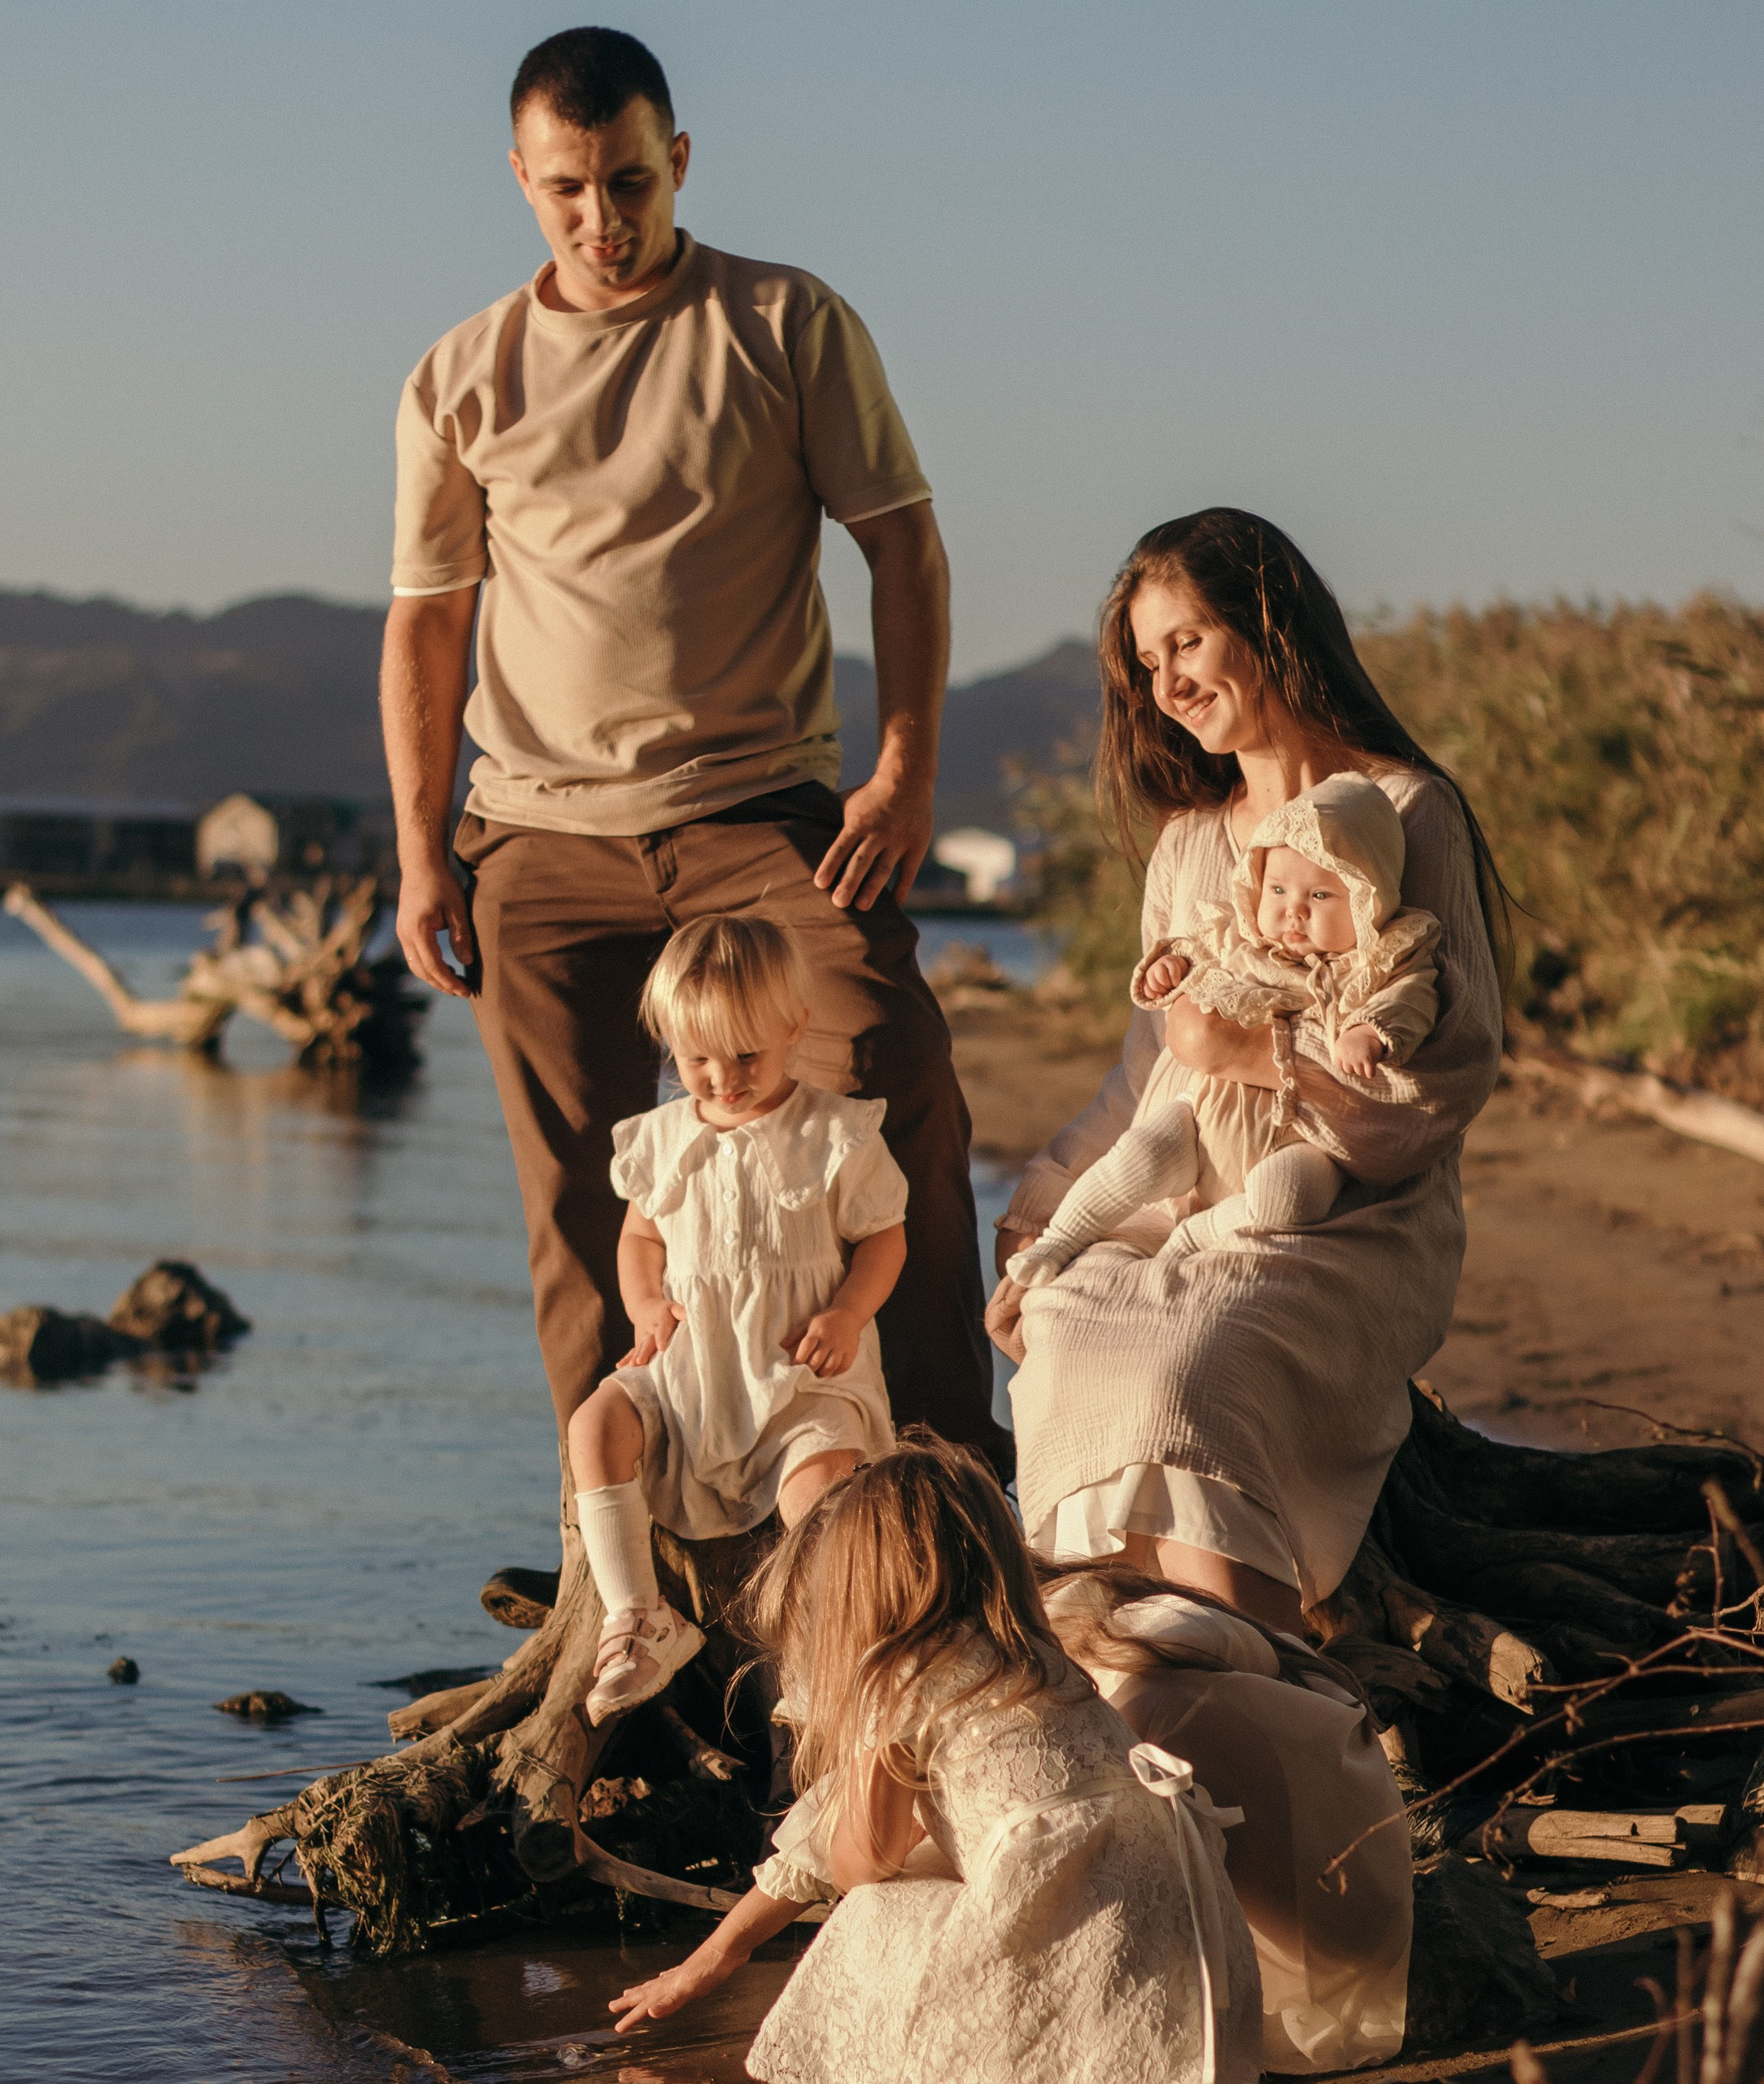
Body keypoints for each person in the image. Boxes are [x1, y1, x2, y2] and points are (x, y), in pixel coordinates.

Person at [379, 27, 1006, 1475]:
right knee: (580, 1198)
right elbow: (425, 633)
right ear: (522, 181)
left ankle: (943, 1479)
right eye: (568, 190)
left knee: (890, 1064)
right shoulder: (459, 378)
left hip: (759, 812)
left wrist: (905, 764)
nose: (604, 219)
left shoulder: (785, 323)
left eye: (629, 182)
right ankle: (632, 1548)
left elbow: (902, 547)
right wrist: (421, 851)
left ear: (680, 161)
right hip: (535, 836)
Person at [989, 509, 1508, 1636]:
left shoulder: (1412, 812)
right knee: (1066, 1317)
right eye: (1146, 663)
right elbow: (1143, 1081)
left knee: (1192, 1365)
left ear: (1266, 622)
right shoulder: (1190, 846)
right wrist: (1040, 1197)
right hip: (1188, 1184)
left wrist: (1266, 1057)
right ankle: (1125, 1653)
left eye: (1185, 642)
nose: (1166, 683)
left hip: (1347, 1206)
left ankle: (1259, 1673)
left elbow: (1457, 1069)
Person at [607, 1437, 1264, 2084]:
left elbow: (861, 1861)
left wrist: (866, 1843)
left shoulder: (897, 1674)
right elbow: (824, 1835)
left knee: (870, 1907)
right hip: (1200, 1989)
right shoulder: (1035, 1659)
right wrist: (721, 1951)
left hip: (1084, 1970)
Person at [566, 914, 906, 1722]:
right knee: (594, 1428)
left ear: (795, 1027)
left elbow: (883, 1240)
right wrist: (644, 1304)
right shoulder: (659, 1140)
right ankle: (640, 1621)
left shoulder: (833, 1134)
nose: (721, 1079)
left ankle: (826, 1656)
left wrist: (850, 1313)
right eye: (696, 1060)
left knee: (819, 1494)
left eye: (746, 1056)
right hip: (687, 1370)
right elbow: (640, 1237)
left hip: (800, 1378)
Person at [1006, 770, 1440, 1287]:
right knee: (1141, 1154)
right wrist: (1168, 969)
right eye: (1277, 889)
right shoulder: (1240, 939)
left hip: (1299, 1139)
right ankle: (1064, 1238)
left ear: (1370, 898)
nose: (1294, 911)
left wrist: (1370, 1030)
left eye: (1322, 896)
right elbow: (1192, 956)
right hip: (1206, 1119)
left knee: (1290, 1197)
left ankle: (1198, 1235)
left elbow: (1412, 999)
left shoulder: (1380, 961)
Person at [1043, 1563, 1413, 2074]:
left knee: (1134, 1735)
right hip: (1345, 1875)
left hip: (1328, 1904)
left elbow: (1202, 1647)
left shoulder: (1106, 1631)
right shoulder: (1112, 1616)